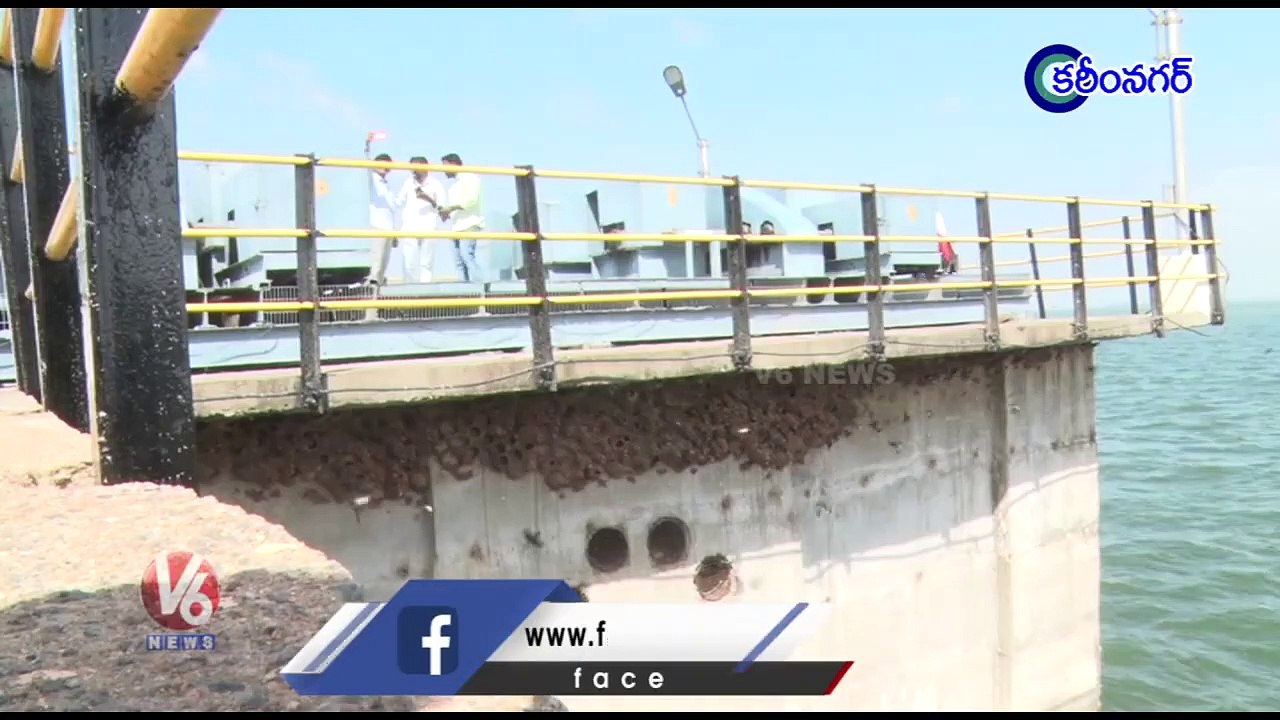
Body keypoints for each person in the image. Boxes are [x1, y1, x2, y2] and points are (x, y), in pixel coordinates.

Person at [396, 155, 445, 283]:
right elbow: (398, 201)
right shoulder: (408, 183)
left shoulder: (436, 185)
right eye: (411, 169)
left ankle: (425, 292)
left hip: (428, 227)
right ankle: (409, 293)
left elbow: (443, 209)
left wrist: (427, 198)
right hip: (409, 227)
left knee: (426, 264)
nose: (413, 172)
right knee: (408, 263)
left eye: (416, 168)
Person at [437, 153, 484, 283]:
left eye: (445, 166)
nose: (443, 170)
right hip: (456, 226)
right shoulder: (453, 186)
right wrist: (446, 213)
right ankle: (465, 290)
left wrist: (451, 208)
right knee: (459, 262)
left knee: (467, 256)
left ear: (453, 164)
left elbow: (471, 199)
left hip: (469, 224)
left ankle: (479, 289)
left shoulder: (471, 178)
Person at [365, 149, 400, 285]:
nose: (386, 168)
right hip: (378, 226)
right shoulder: (372, 179)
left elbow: (391, 210)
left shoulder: (387, 185)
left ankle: (376, 296)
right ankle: (370, 293)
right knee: (377, 264)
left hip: (388, 228)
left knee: (383, 266)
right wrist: (367, 147)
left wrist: (394, 233)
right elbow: (366, 166)